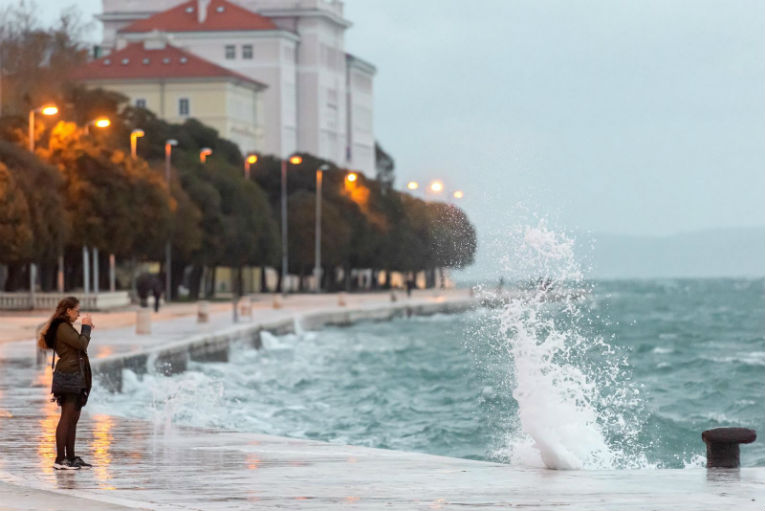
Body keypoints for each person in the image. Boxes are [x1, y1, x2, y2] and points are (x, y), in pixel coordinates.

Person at [38, 296, 95, 470]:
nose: (78, 315)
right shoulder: (62, 327)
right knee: (67, 417)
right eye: (77, 311)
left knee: (74, 418)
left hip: (74, 374)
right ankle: (60, 459)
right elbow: (81, 344)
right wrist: (86, 327)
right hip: (69, 375)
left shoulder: (65, 326)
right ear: (68, 310)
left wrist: (85, 329)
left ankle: (70, 457)